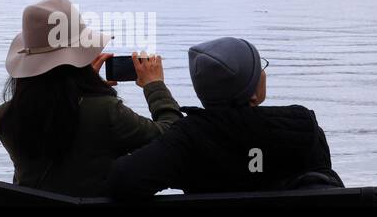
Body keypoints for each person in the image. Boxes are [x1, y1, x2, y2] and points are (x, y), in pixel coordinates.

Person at [0, 0, 183, 197]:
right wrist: (155, 86)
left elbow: (53, 114)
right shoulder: (105, 111)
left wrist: (84, 86)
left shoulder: (3, 117)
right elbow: (173, 138)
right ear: (80, 57)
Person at [107, 37, 342, 199]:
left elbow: (122, 180)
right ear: (250, 91)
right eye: (259, 68)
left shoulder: (188, 139)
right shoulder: (302, 126)